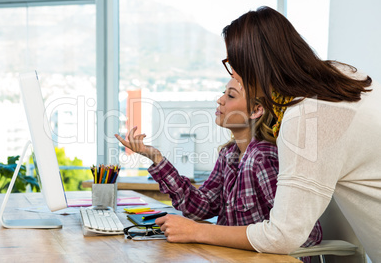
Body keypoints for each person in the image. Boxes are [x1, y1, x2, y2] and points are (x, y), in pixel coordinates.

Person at [147, 6, 381, 262]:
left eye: (234, 65)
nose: (233, 75)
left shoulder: (307, 117)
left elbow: (283, 235)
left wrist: (197, 231)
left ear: (257, 65)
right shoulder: (337, 77)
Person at [115, 78, 322, 261]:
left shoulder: (263, 158)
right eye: (224, 92)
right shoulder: (229, 154)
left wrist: (199, 231)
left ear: (256, 110)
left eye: (230, 95)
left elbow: (303, 234)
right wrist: (155, 158)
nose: (220, 100)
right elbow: (200, 207)